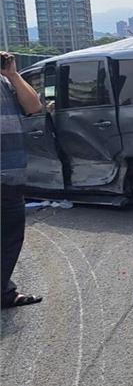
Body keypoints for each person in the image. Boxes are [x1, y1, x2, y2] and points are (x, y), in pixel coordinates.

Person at [1, 51, 44, 309]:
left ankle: (4, 293)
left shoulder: (7, 82)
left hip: (10, 176)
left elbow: (34, 107)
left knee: (10, 238)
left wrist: (13, 74)